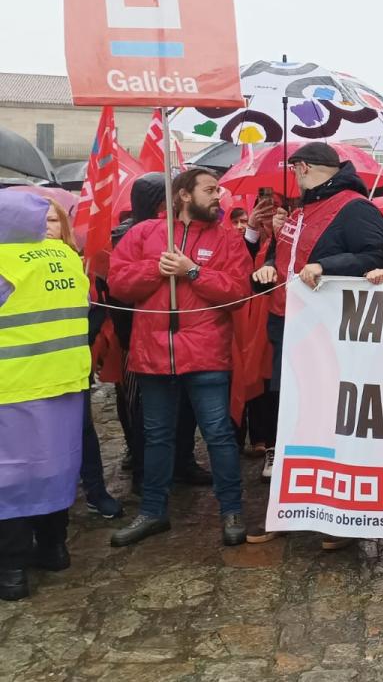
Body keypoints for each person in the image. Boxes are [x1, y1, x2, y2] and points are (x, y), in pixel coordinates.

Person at [247, 142, 383, 546]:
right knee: (290, 419)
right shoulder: (300, 211)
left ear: (305, 166)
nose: (293, 176)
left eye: (295, 170)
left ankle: (338, 517)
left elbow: (374, 254)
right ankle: (287, 508)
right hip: (287, 323)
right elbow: (281, 255)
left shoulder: (354, 207)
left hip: (326, 329)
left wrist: (327, 265)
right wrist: (269, 268)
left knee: (327, 421)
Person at [107, 169, 253, 548]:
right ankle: (153, 511)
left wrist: (193, 272)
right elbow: (119, 282)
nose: (218, 195)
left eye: (218, 189)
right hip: (153, 354)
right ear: (184, 195)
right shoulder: (143, 234)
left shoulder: (227, 240)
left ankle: (231, 510)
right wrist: (154, 269)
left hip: (206, 354)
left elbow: (238, 291)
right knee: (156, 436)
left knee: (219, 436)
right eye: (210, 189)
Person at [0, 191, 92, 602]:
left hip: (15, 386)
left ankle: (12, 569)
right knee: (53, 468)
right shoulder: (69, 259)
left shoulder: (7, 263)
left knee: (11, 477)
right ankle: (55, 547)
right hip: (65, 382)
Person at [41, 198, 124, 521]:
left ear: (64, 226)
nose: (45, 229)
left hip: (70, 369)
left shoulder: (78, 265)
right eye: (39, 222)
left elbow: (94, 313)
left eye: (51, 221)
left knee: (82, 433)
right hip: (24, 374)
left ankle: (95, 491)